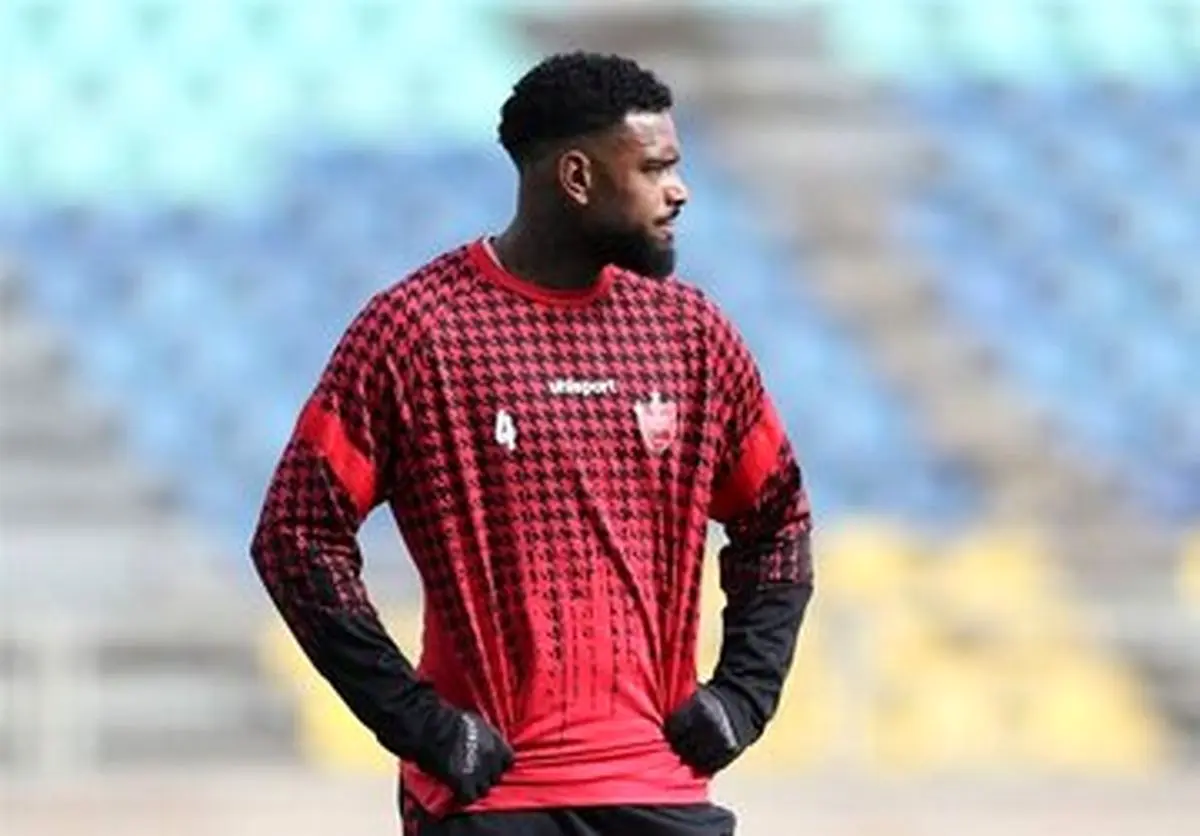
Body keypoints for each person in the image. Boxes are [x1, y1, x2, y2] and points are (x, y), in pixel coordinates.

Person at [250, 51, 814, 836]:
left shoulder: (693, 336)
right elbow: (295, 534)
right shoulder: (418, 331)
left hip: (661, 794)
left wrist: (742, 698)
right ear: (577, 177)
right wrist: (420, 724)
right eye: (654, 168)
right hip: (490, 804)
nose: (679, 190)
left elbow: (777, 517)